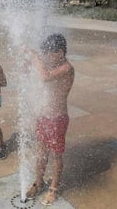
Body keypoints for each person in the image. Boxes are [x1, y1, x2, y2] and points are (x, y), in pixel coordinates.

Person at [25, 33, 74, 206]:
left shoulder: (67, 68)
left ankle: (53, 188)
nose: (47, 57)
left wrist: (36, 57)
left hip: (57, 118)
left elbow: (45, 77)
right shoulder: (51, 64)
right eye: (45, 53)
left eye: (49, 54)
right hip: (43, 115)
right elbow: (32, 71)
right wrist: (27, 59)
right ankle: (38, 182)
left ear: (60, 53)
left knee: (55, 155)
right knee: (41, 151)